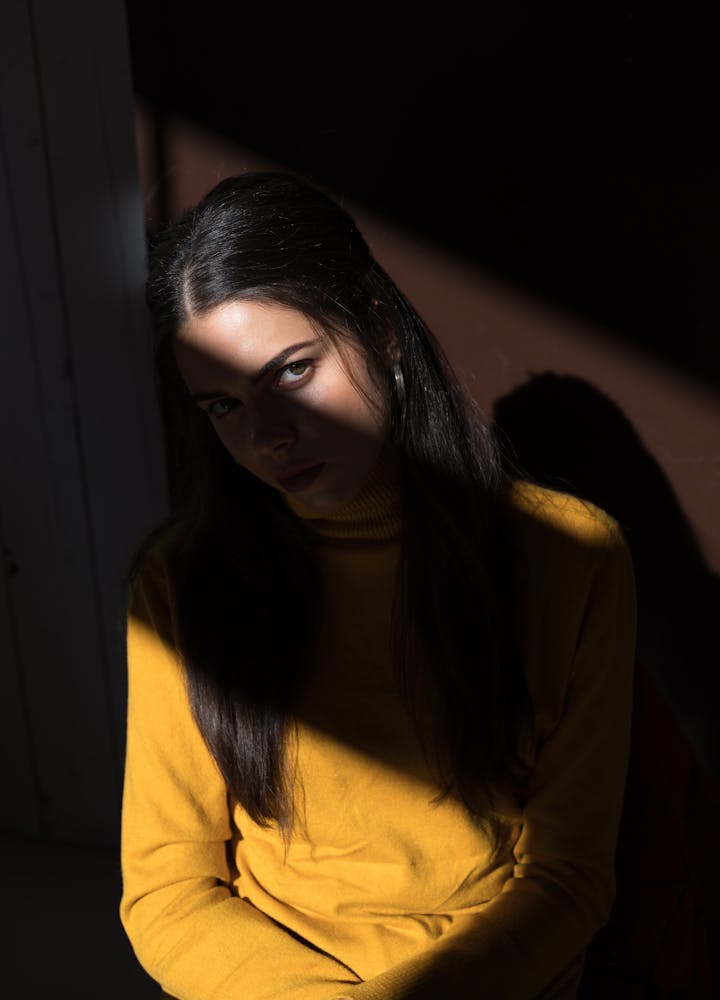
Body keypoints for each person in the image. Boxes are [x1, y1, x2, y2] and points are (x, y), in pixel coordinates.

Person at [119, 171, 637, 1000]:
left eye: (291, 372)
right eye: (221, 407)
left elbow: (571, 881)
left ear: (384, 329)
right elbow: (168, 891)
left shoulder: (574, 557)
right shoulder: (180, 579)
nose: (266, 437)